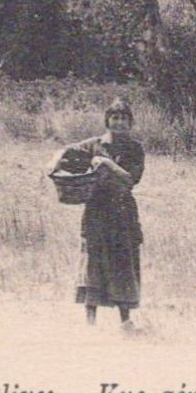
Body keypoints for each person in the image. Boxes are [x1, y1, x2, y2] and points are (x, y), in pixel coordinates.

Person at [50, 98, 144, 328]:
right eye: (115, 117)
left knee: (123, 262)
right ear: (107, 121)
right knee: (93, 262)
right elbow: (64, 153)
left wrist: (106, 164)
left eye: (123, 118)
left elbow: (130, 180)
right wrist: (53, 164)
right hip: (97, 211)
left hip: (122, 212)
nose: (119, 122)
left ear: (130, 122)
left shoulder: (135, 149)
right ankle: (90, 323)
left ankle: (125, 320)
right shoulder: (94, 144)